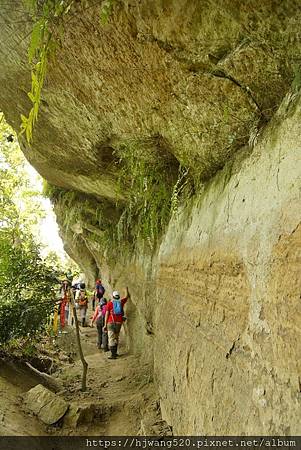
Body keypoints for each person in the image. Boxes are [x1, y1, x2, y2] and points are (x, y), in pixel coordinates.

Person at [103, 288, 129, 360]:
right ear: (118, 296)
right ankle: (115, 352)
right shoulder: (121, 302)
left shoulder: (110, 304)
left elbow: (107, 315)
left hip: (111, 323)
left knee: (111, 338)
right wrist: (126, 289)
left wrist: (105, 324)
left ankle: (113, 354)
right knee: (116, 337)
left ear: (113, 296)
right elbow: (126, 297)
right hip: (119, 323)